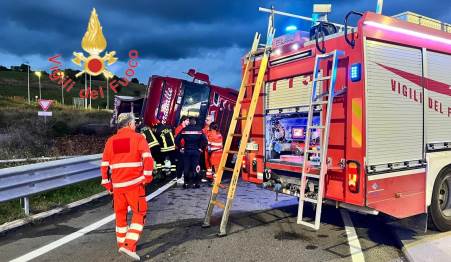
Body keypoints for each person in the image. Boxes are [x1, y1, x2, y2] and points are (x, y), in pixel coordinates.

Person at [100, 113, 153, 261]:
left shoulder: (111, 141)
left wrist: (107, 184)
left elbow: (104, 165)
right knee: (139, 213)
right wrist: (147, 177)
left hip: (117, 187)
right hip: (134, 185)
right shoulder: (138, 138)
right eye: (134, 123)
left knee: (120, 216)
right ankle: (129, 246)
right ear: (130, 124)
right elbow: (148, 159)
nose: (135, 126)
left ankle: (122, 244)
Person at [175, 117, 208, 188]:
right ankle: (196, 183)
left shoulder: (184, 130)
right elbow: (205, 141)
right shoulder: (199, 130)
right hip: (196, 151)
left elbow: (177, 140)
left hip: (187, 150)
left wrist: (181, 147)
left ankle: (186, 183)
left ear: (189, 122)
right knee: (196, 167)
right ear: (195, 122)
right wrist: (201, 148)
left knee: (186, 166)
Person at [174, 116, 189, 184]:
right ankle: (179, 177)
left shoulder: (185, 128)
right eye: (187, 120)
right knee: (180, 163)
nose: (188, 122)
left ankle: (182, 176)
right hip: (181, 148)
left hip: (185, 147)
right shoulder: (179, 128)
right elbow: (177, 139)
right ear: (183, 121)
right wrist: (181, 147)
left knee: (184, 163)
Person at [201, 115, 213, 182]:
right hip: (206, 149)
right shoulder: (204, 129)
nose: (206, 121)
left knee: (210, 163)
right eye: (206, 120)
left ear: (211, 121)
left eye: (207, 120)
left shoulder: (212, 129)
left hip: (212, 149)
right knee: (207, 162)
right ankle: (208, 176)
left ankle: (211, 177)